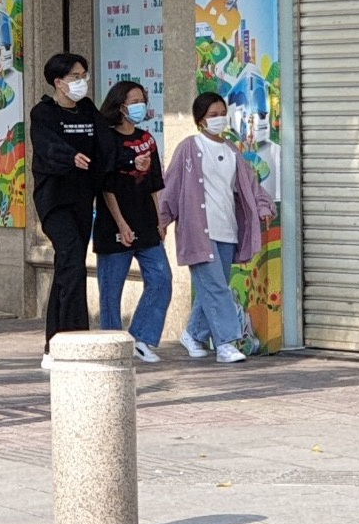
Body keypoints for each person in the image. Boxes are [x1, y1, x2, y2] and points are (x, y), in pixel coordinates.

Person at [160, 92, 276, 363]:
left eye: (221, 113)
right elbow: (171, 186)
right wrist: (161, 220)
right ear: (200, 120)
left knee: (215, 286)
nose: (219, 119)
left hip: (227, 230)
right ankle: (226, 343)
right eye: (212, 115)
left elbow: (250, 185)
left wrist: (263, 207)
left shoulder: (232, 151)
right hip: (198, 232)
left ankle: (193, 333)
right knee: (216, 288)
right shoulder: (189, 147)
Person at [30, 52, 110, 369]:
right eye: (75, 76)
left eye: (84, 75)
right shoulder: (44, 113)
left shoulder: (88, 111)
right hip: (54, 201)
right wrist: (69, 157)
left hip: (81, 198)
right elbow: (47, 145)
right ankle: (59, 344)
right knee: (71, 257)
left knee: (71, 264)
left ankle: (66, 341)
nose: (81, 82)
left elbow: (105, 143)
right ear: (59, 81)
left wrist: (130, 161)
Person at [93, 81, 172, 363]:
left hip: (147, 223)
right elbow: (106, 187)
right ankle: (113, 345)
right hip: (115, 225)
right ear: (120, 105)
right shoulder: (107, 139)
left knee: (162, 279)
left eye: (143, 99)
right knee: (111, 291)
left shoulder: (147, 139)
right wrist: (121, 224)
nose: (140, 105)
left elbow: (155, 184)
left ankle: (141, 338)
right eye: (134, 100)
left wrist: (160, 219)